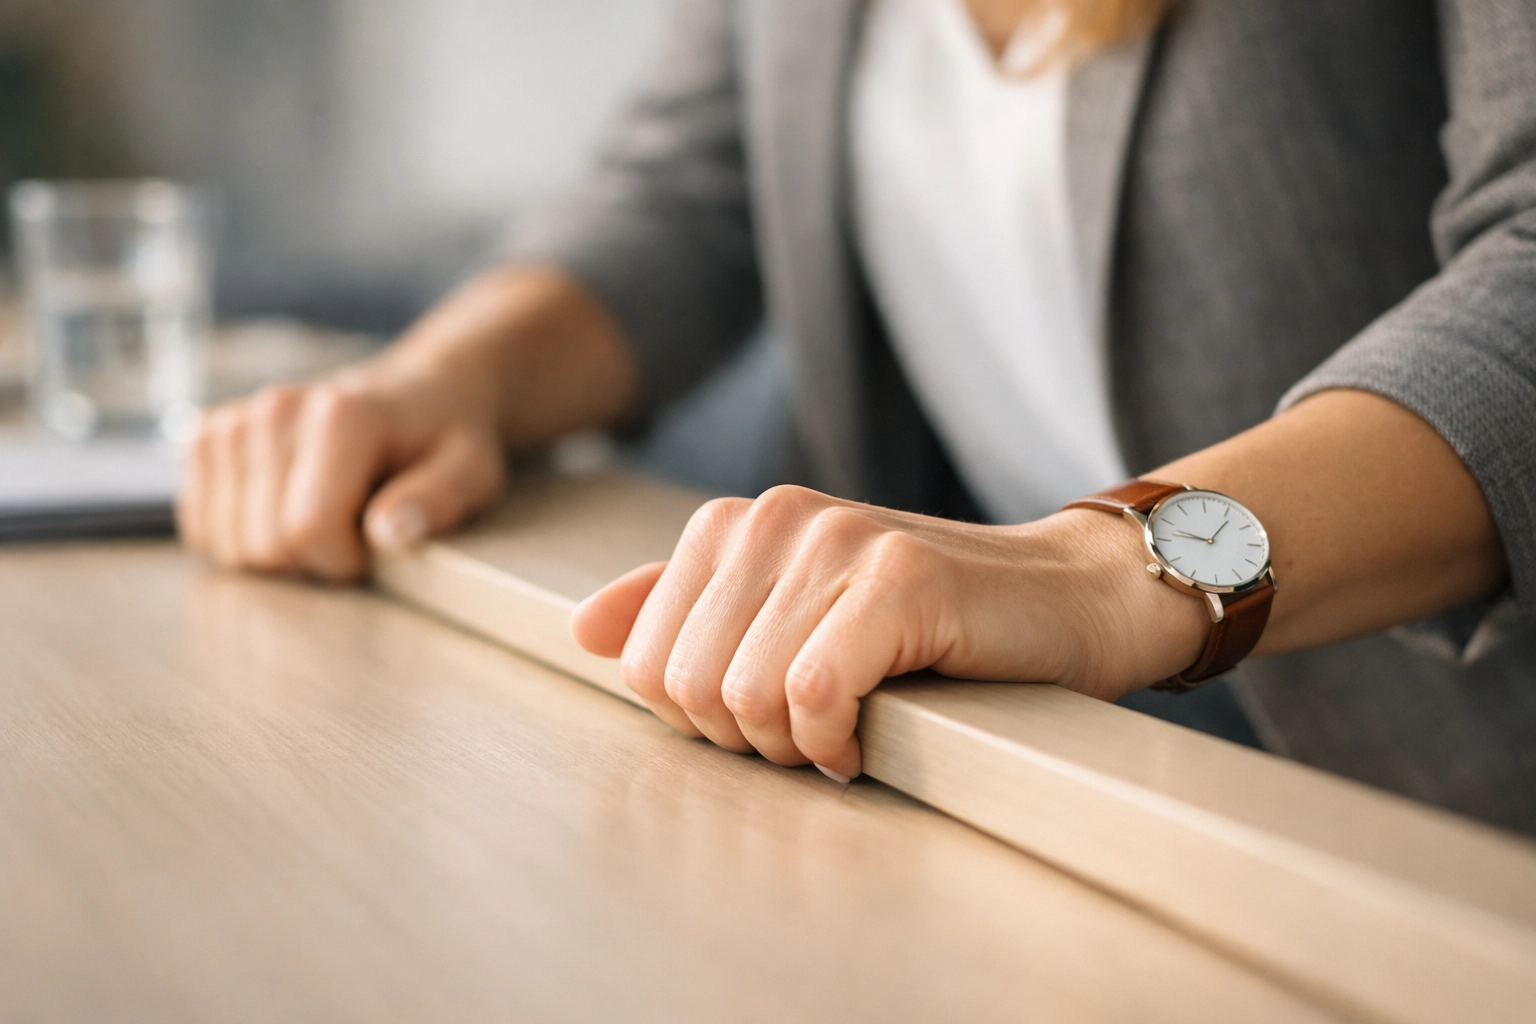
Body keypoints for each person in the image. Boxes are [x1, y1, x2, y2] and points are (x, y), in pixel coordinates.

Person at [178, 0, 1536, 832]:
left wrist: (1106, 566)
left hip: (1448, 824)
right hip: (1079, 775)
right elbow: (690, 185)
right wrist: (443, 379)